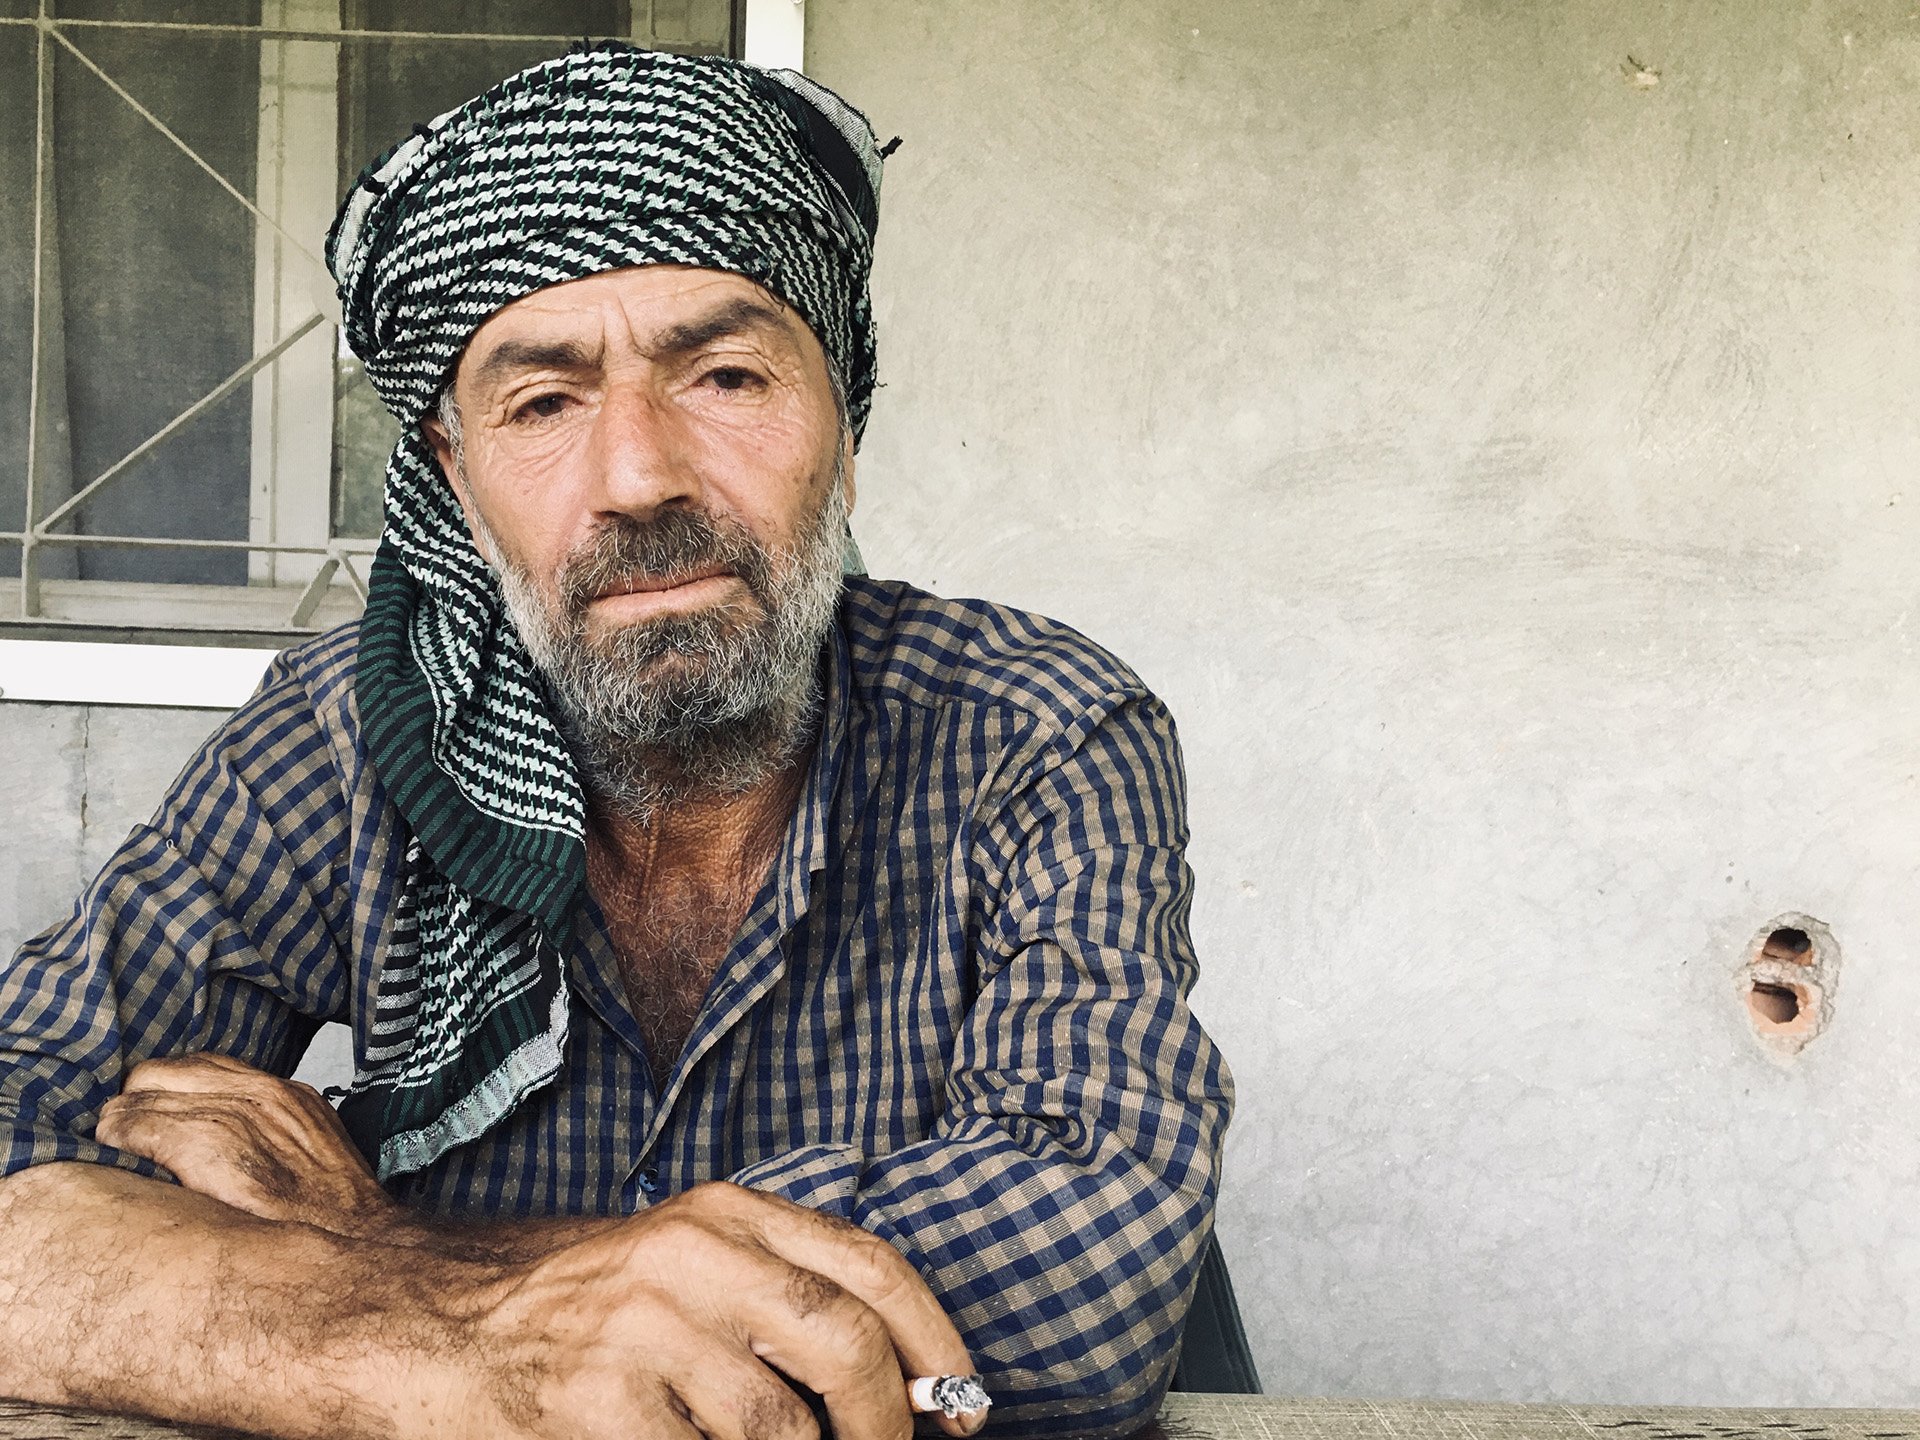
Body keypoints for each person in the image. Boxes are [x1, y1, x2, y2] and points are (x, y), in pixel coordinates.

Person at [0, 44, 1231, 1440]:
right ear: (456, 477)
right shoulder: (344, 737)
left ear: (843, 411)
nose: (639, 476)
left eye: (723, 376)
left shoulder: (1038, 730)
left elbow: (1093, 1277)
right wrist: (477, 1317)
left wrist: (379, 1258)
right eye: (542, 402)